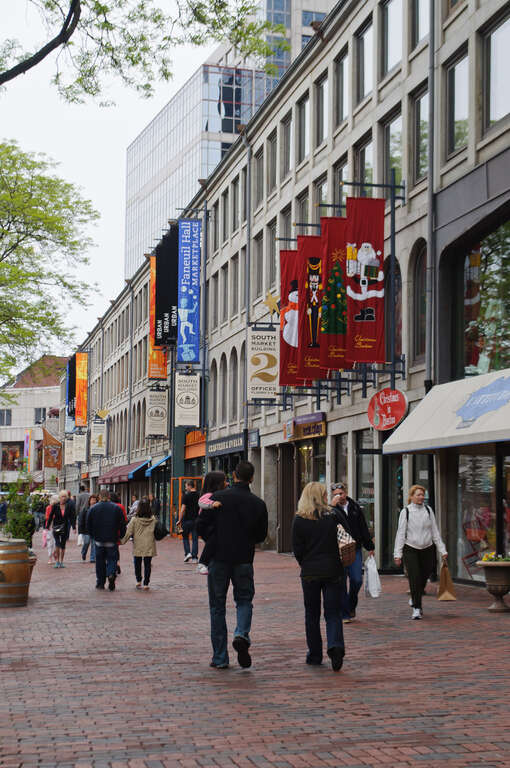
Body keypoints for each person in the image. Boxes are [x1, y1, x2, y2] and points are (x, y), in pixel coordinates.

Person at [197, 461, 268, 670]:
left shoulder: (217, 498)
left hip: (218, 558)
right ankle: (241, 633)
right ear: (251, 478)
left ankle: (220, 657)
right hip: (244, 559)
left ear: (234, 476)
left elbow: (201, 524)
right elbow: (262, 536)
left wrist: (214, 537)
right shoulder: (258, 503)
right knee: (244, 600)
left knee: (217, 606)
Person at [292, 482, 345, 671]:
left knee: (312, 614)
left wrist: (305, 563)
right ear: (322, 496)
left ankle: (314, 654)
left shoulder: (299, 519)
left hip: (310, 572)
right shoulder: (333, 516)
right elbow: (346, 536)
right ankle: (335, 645)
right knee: (333, 613)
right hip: (333, 570)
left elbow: (297, 549)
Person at [394, 484, 448, 620]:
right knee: (414, 577)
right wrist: (397, 554)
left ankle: (415, 595)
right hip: (410, 548)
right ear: (411, 497)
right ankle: (417, 608)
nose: (421, 497)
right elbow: (400, 534)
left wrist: (442, 549)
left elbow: (435, 531)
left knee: (425, 575)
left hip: (427, 548)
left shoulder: (428, 511)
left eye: (423, 495)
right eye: (418, 494)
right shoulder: (405, 512)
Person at [330, 482, 375, 623]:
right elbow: (327, 525)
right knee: (342, 582)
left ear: (346, 493)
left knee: (356, 580)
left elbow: (363, 526)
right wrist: (331, 506)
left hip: (355, 548)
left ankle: (351, 603)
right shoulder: (330, 510)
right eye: (336, 494)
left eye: (341, 493)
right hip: (338, 550)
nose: (339, 496)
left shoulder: (355, 507)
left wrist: (369, 546)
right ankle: (345, 614)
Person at [87, 489, 127, 591]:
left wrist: (92, 535)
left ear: (99, 497)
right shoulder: (116, 508)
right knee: (112, 559)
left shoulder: (93, 509)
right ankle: (111, 574)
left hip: (99, 540)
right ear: (109, 496)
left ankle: (100, 582)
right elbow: (122, 524)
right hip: (112, 539)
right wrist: (121, 535)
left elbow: (88, 524)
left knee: (100, 561)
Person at [120, 496, 157, 589]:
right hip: (149, 544)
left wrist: (122, 542)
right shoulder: (153, 519)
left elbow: (128, 532)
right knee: (147, 564)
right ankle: (146, 583)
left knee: (137, 563)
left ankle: (138, 580)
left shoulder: (134, 520)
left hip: (138, 544)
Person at [196, 471, 226, 575]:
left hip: (207, 524)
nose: (226, 483)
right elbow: (201, 502)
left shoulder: (217, 494)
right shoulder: (209, 495)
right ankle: (202, 563)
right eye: (224, 481)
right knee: (213, 541)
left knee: (213, 543)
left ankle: (207, 563)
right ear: (217, 483)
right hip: (203, 523)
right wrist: (212, 504)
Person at [45, 490, 75, 567]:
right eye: (62, 496)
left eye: (65, 496)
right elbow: (51, 516)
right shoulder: (55, 506)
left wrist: (74, 527)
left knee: (63, 545)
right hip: (56, 527)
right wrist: (47, 526)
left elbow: (72, 517)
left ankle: (61, 562)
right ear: (59, 497)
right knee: (57, 543)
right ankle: (57, 561)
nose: (64, 498)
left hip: (65, 527)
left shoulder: (68, 506)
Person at [178, 480, 200, 563]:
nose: (185, 488)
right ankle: (195, 557)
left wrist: (179, 520)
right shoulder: (199, 495)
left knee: (185, 537)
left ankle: (187, 553)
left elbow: (183, 509)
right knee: (195, 539)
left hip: (187, 520)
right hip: (197, 520)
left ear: (190, 486)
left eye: (186, 486)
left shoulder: (186, 496)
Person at [109, 491, 128, 574]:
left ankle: (111, 564)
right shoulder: (121, 506)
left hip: (109, 530)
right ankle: (117, 563)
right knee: (115, 548)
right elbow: (125, 520)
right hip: (118, 531)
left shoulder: (109, 506)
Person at [79, 493, 98, 562]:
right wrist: (80, 531)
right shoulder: (85, 509)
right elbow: (81, 520)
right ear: (89, 501)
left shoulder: (98, 509)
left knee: (94, 544)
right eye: (92, 500)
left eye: (95, 500)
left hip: (94, 530)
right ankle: (83, 553)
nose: (93, 501)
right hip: (86, 530)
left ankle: (92, 558)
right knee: (86, 543)